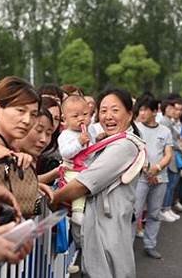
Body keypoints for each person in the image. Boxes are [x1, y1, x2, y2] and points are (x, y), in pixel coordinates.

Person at [50, 88, 145, 278]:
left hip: (109, 231)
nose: (108, 116)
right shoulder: (107, 141)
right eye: (103, 110)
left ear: (129, 114)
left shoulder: (124, 145)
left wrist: (53, 199)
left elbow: (83, 184)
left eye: (115, 110)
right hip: (100, 228)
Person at [134, 97, 173, 259]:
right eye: (140, 110)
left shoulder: (165, 131)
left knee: (154, 214)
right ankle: (125, 247)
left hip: (160, 178)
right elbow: (134, 152)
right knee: (134, 213)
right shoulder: (135, 128)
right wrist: (147, 171)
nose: (141, 113)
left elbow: (168, 154)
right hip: (140, 177)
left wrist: (156, 169)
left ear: (154, 111)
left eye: (145, 110)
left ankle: (150, 245)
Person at [57, 95, 94, 225]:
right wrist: (79, 142)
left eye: (85, 114)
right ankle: (77, 212)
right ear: (64, 119)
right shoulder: (65, 135)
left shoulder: (91, 131)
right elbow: (65, 153)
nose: (81, 118)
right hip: (72, 170)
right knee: (80, 182)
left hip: (86, 168)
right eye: (75, 116)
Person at [157, 99, 182, 221]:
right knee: (170, 183)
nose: (174, 111)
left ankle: (167, 208)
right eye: (171, 108)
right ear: (165, 109)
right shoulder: (164, 122)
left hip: (172, 154)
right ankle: (164, 208)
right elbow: (171, 142)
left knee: (172, 183)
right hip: (169, 155)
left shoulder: (169, 122)